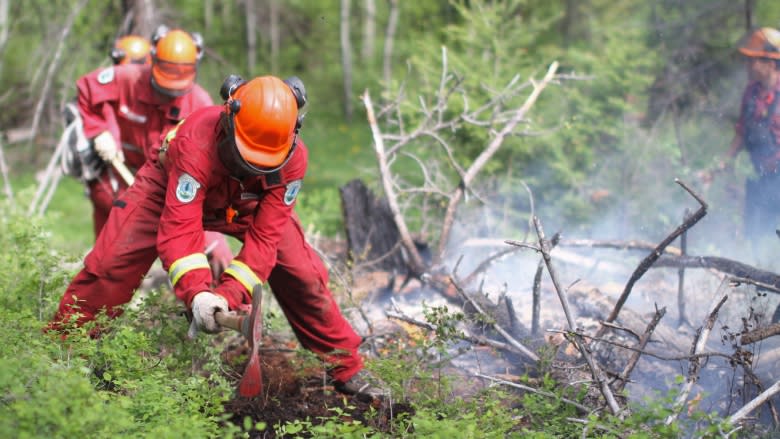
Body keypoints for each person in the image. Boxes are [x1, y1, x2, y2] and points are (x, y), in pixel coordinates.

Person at [49, 75, 381, 399]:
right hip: (169, 185)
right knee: (110, 264)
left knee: (305, 275)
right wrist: (198, 293)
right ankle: (62, 357)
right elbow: (181, 230)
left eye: (262, 162)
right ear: (229, 115)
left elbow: (266, 239)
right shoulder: (196, 140)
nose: (253, 165)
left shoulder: (293, 159)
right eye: (247, 156)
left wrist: (228, 295)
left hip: (247, 202)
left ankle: (347, 368)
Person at [74, 26, 233, 272]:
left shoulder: (199, 103)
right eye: (164, 87)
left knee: (216, 253)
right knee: (109, 257)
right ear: (154, 62)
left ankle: (218, 304)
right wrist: (99, 131)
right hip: (125, 179)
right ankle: (109, 302)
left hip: (176, 187)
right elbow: (87, 88)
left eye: (176, 89)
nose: (170, 94)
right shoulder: (128, 78)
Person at [719, 27, 780, 251]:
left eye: (753, 60)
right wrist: (723, 162)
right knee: (756, 234)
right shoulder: (752, 92)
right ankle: (757, 281)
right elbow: (742, 131)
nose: (749, 65)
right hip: (760, 175)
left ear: (771, 63)